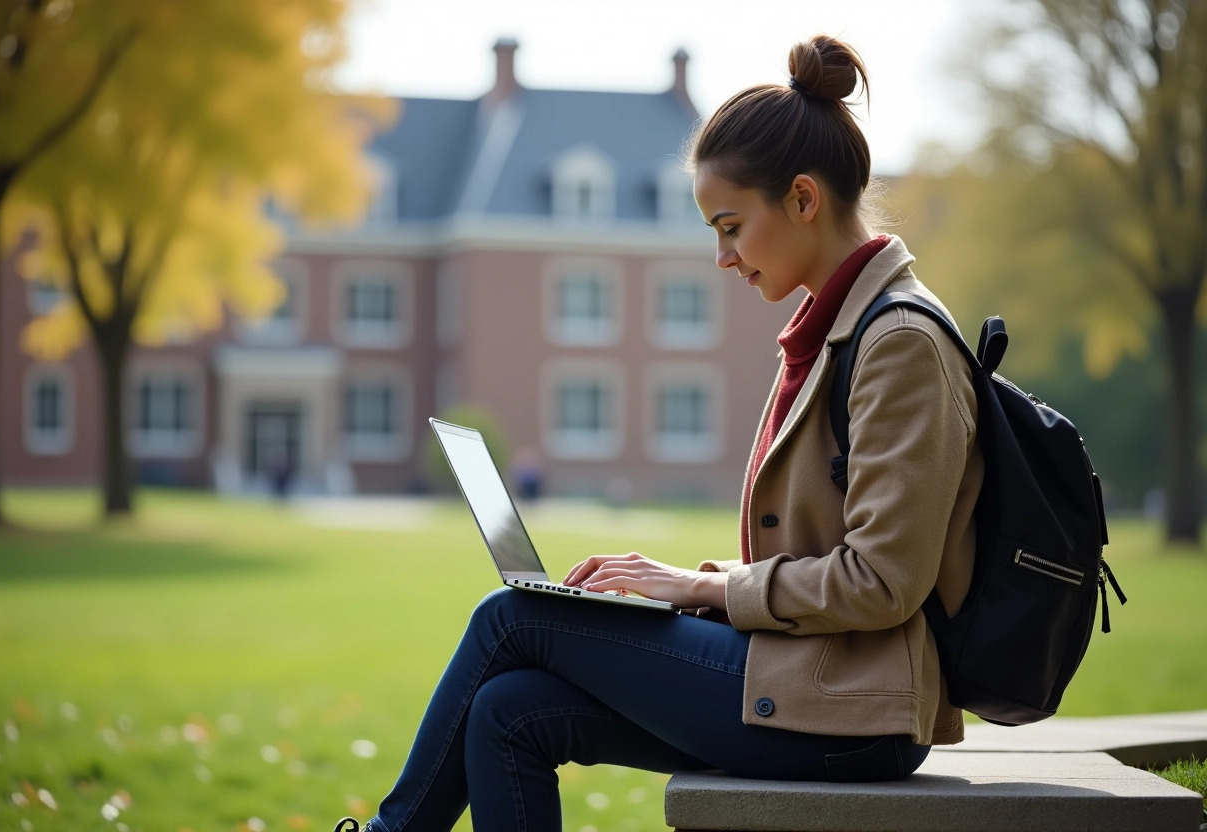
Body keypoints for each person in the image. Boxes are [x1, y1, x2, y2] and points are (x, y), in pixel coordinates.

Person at [333, 34, 983, 832]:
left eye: (731, 226)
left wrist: (698, 586)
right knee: (508, 709)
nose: (722, 256)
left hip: (857, 713)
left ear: (804, 200)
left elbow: (882, 582)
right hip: (813, 677)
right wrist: (694, 585)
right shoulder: (837, 332)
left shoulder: (900, 342)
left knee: (511, 619)